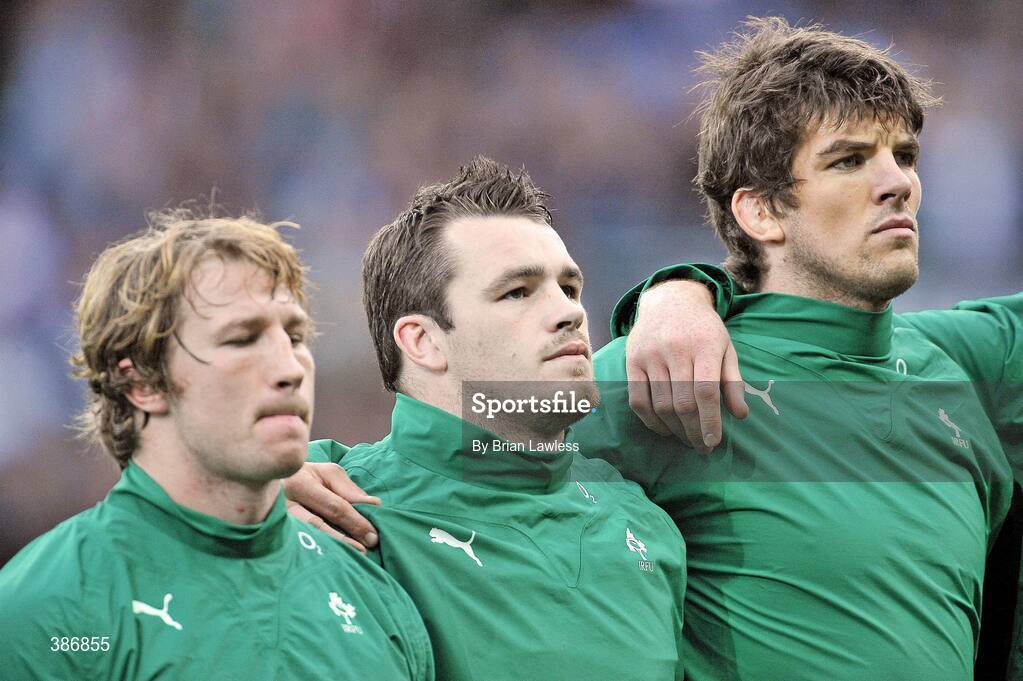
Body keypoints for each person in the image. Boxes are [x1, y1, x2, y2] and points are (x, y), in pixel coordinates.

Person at [569, 17, 1020, 681]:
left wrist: (680, 285)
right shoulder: (675, 370)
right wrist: (351, 471)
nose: (897, 182)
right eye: (847, 160)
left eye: (903, 155)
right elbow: (459, 440)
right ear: (761, 213)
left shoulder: (973, 362)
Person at [0, 210, 433, 681]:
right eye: (242, 340)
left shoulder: (371, 593)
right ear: (143, 381)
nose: (290, 369)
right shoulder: (47, 609)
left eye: (294, 336)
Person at [306, 156, 687, 681]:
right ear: (424, 341)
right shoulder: (333, 513)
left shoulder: (646, 525)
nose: (570, 312)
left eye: (569, 288)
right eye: (517, 292)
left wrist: (685, 290)